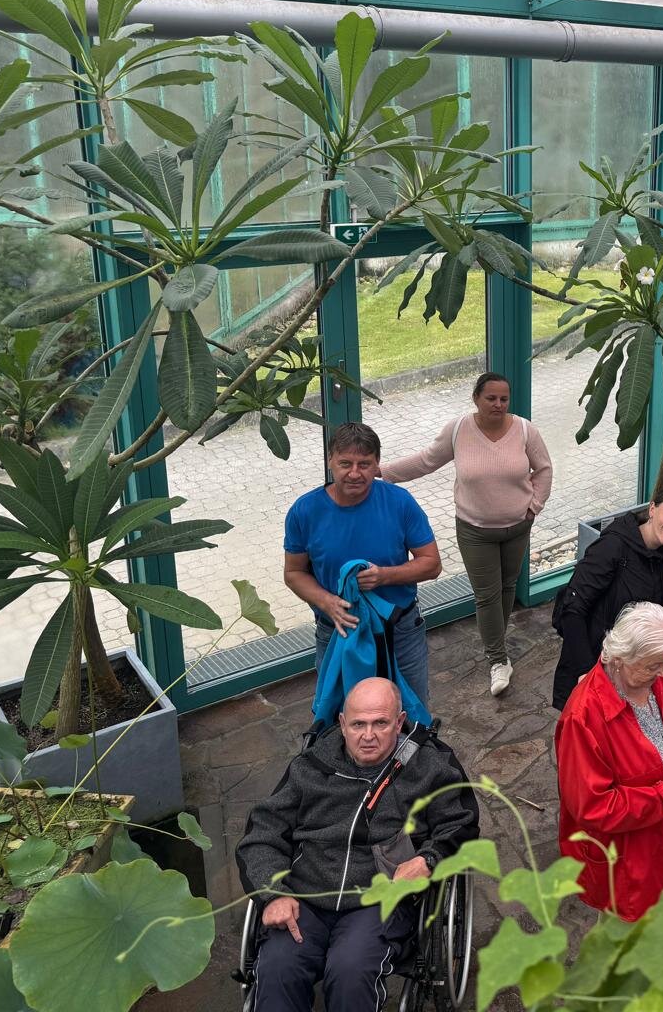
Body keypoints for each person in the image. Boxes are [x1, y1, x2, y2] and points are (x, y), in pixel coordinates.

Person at [236, 678, 480, 1012]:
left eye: (381, 723)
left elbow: (461, 823)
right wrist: (273, 894)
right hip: (304, 896)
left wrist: (428, 859)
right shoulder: (311, 766)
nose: (368, 735)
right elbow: (262, 832)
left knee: (351, 972)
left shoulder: (430, 766)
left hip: (377, 901)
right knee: (278, 968)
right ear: (341, 723)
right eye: (358, 724)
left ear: (400, 721)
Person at [380, 373, 553, 698]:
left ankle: (497, 642)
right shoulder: (459, 429)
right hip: (475, 531)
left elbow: (543, 469)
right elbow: (426, 461)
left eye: (504, 399)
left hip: (517, 527)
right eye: (491, 398)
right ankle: (498, 660)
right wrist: (382, 472)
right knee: (486, 595)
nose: (498, 404)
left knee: (507, 587)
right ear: (476, 398)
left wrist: (534, 507)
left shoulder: (525, 430)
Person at [555, 601, 663, 921]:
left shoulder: (659, 670)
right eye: (653, 666)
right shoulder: (583, 717)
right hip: (631, 860)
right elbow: (594, 807)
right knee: (630, 940)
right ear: (619, 660)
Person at [284, 423, 441, 706]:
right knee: (341, 712)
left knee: (412, 711)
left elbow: (431, 564)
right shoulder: (305, 511)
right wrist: (327, 602)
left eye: (364, 464)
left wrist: (384, 576)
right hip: (338, 629)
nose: (355, 473)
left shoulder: (400, 502)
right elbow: (294, 573)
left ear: (377, 464)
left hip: (400, 630)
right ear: (330, 460)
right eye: (345, 463)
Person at [550, 484, 663, 710]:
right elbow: (572, 609)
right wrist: (586, 673)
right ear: (652, 509)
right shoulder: (612, 547)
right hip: (592, 668)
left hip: (629, 676)